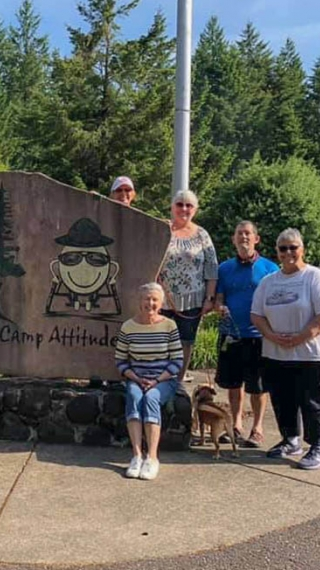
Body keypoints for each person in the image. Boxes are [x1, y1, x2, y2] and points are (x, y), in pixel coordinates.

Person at [250, 228, 320, 470]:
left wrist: (300, 338)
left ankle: (318, 448)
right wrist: (271, 335)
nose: (288, 252)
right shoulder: (268, 282)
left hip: (313, 354)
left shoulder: (315, 277)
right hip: (276, 353)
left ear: (302, 249)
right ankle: (290, 440)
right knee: (283, 400)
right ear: (277, 252)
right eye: (283, 248)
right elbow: (256, 315)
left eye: (293, 247)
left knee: (314, 401)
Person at [214, 221, 278, 449]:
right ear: (233, 239)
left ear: (256, 239)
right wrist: (220, 308)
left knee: (258, 386)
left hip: (258, 336)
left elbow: (276, 301)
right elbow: (218, 299)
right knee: (233, 385)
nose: (244, 237)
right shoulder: (224, 268)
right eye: (239, 233)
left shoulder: (270, 268)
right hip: (231, 334)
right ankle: (236, 425)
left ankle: (257, 429)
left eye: (248, 233)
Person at [115, 283, 184, 480]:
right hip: (137, 378)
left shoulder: (169, 326)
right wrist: (136, 378)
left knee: (152, 398)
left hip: (163, 380)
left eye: (155, 299)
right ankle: (136, 456)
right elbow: (120, 360)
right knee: (134, 396)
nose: (150, 303)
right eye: (147, 299)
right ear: (140, 301)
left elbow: (177, 360)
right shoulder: (128, 327)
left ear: (161, 303)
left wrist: (156, 380)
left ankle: (152, 458)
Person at [158, 190, 219, 382]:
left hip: (192, 300)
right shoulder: (161, 229)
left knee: (186, 342)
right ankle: (159, 381)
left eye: (189, 205)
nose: (184, 209)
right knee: (160, 343)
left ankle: (178, 382)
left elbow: (211, 267)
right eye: (179, 204)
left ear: (195, 209)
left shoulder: (202, 235)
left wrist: (209, 298)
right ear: (172, 207)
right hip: (162, 300)